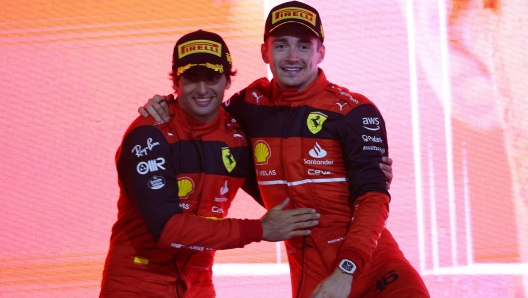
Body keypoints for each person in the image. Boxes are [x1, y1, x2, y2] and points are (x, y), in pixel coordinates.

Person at [140, 2, 428, 297]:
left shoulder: (355, 111)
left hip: (373, 266)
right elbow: (202, 108)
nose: (293, 57)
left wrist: (346, 271)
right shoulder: (248, 106)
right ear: (265, 52)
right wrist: (166, 104)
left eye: (304, 46)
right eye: (281, 46)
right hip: (309, 276)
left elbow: (373, 198)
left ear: (321, 52)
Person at [100, 29, 323, 298]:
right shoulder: (149, 134)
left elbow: (279, 188)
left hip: (198, 282)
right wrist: (259, 230)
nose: (203, 90)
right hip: (137, 281)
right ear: (175, 82)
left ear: (228, 81)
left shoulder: (237, 138)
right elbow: (167, 229)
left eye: (213, 78)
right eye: (191, 79)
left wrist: (368, 174)